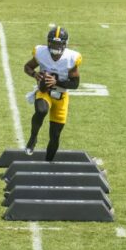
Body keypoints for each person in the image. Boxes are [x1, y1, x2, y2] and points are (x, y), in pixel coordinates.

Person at [23, 26, 82, 161]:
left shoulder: (71, 58)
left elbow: (75, 84)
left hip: (61, 96)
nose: (55, 47)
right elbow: (27, 67)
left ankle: (48, 163)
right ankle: (33, 138)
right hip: (45, 92)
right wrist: (35, 74)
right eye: (53, 43)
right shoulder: (41, 53)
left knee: (55, 135)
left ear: (64, 44)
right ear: (48, 43)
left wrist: (56, 82)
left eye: (58, 44)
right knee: (41, 110)